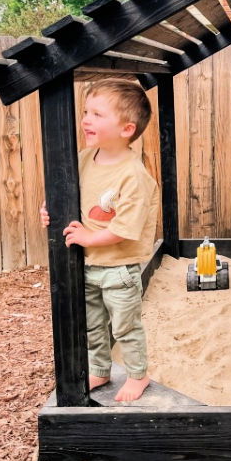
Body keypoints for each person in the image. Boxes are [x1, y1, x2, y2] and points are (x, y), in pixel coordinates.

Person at [40, 78, 158, 403]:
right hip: (87, 264)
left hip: (118, 269)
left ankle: (138, 375)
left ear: (126, 129)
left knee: (124, 327)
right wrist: (50, 211)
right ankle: (100, 369)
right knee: (92, 325)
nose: (86, 120)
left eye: (97, 114)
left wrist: (89, 235)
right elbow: (63, 194)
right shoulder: (83, 158)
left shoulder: (133, 176)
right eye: (85, 112)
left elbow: (125, 228)